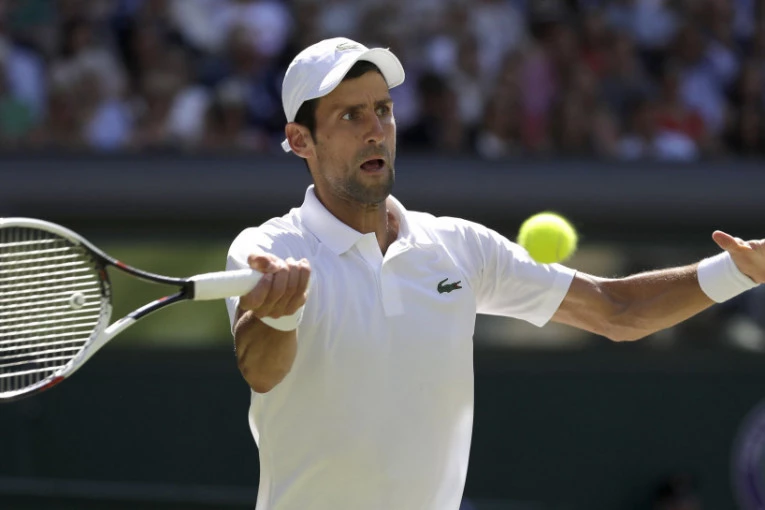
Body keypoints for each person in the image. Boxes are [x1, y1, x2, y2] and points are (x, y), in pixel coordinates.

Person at [224, 37, 764, 510]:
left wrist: (738, 271)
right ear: (300, 140)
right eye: (350, 116)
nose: (376, 131)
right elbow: (262, 372)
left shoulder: (460, 247)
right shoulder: (267, 249)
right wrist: (278, 315)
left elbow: (616, 310)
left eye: (383, 110)